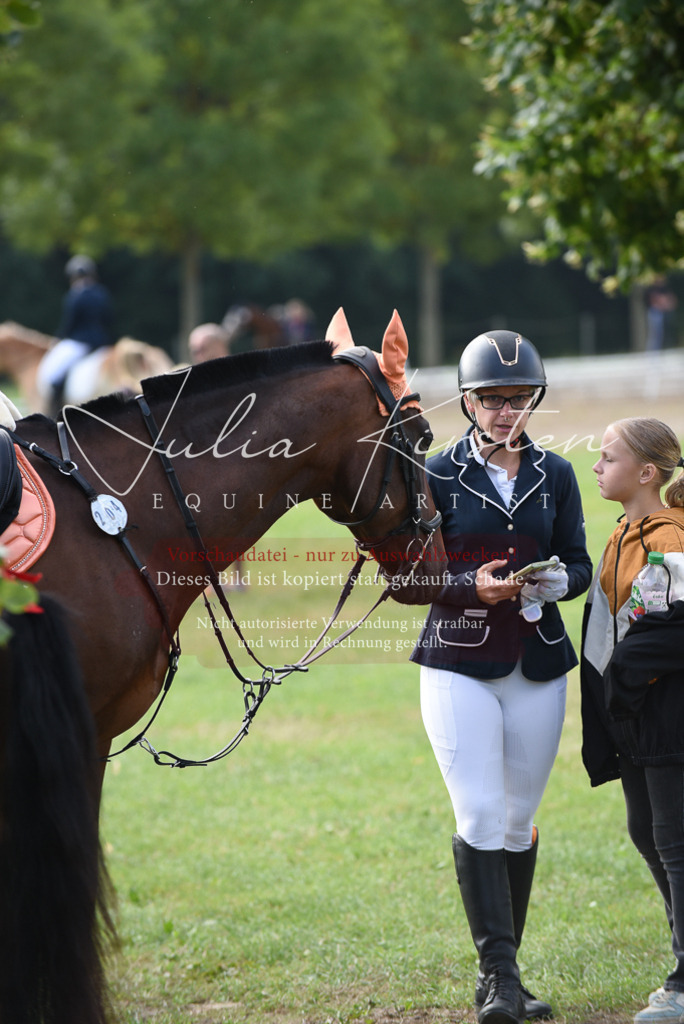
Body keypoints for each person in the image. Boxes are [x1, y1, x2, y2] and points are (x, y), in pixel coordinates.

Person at [411, 330, 592, 1024]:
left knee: (518, 824)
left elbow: (577, 558)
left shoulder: (558, 474)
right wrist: (467, 586)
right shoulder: (434, 474)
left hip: (538, 662)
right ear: (468, 401)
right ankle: (500, 982)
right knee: (481, 814)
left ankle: (507, 977)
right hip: (459, 661)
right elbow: (411, 575)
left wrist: (557, 583)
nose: (504, 411)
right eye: (491, 400)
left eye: (517, 400)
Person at [581, 418, 684, 1024]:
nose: (596, 466)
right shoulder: (623, 531)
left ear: (647, 473)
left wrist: (624, 677)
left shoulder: (670, 537)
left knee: (674, 842)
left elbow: (673, 630)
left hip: (669, 717)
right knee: (648, 835)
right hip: (635, 721)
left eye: (607, 457)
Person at [36, 255, 114, 412]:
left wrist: (58, 338)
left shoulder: (75, 295)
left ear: (73, 276)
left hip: (80, 342)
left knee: (54, 375)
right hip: (103, 342)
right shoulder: (102, 293)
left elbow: (69, 323)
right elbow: (109, 319)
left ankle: (55, 407)